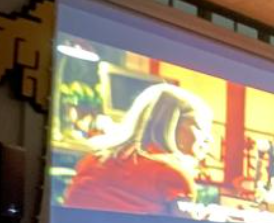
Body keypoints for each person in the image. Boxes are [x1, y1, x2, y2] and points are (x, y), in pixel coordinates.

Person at [62, 82, 211, 214]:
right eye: (200, 127)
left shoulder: (92, 159)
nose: (208, 138)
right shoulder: (172, 174)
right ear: (172, 125)